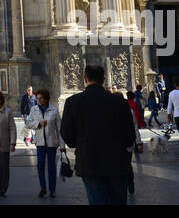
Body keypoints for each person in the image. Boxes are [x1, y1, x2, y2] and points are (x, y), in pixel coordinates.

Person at [59, 64, 137, 206]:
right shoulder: (120, 101)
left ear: (85, 78)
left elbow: (66, 134)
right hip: (117, 162)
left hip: (89, 162)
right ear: (103, 79)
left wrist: (81, 144)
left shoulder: (73, 102)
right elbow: (130, 136)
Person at [26, 88, 63, 198]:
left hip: (52, 143)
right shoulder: (34, 110)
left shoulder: (54, 110)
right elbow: (28, 123)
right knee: (40, 166)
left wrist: (62, 145)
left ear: (46, 99)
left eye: (41, 98)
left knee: (51, 167)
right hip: (40, 143)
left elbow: (60, 129)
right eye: (37, 98)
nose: (39, 100)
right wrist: (38, 124)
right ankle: (43, 187)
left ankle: (52, 190)